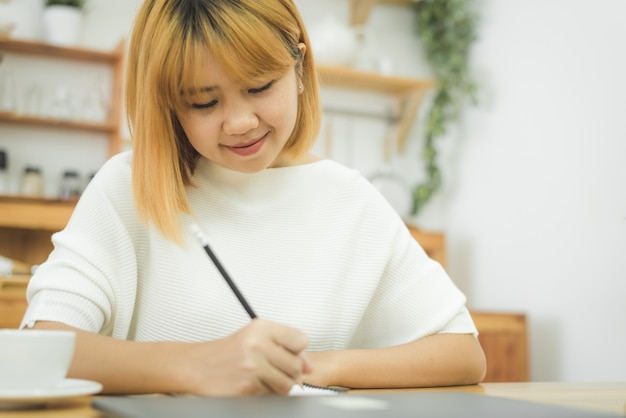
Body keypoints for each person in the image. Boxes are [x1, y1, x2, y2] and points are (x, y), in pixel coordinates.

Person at [22, 0, 486, 396]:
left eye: (259, 86)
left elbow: (463, 354)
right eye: (204, 102)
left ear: (300, 69)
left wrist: (313, 368)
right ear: (169, 103)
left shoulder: (350, 199)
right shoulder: (127, 187)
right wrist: (195, 366)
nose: (240, 122)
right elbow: (41, 351)